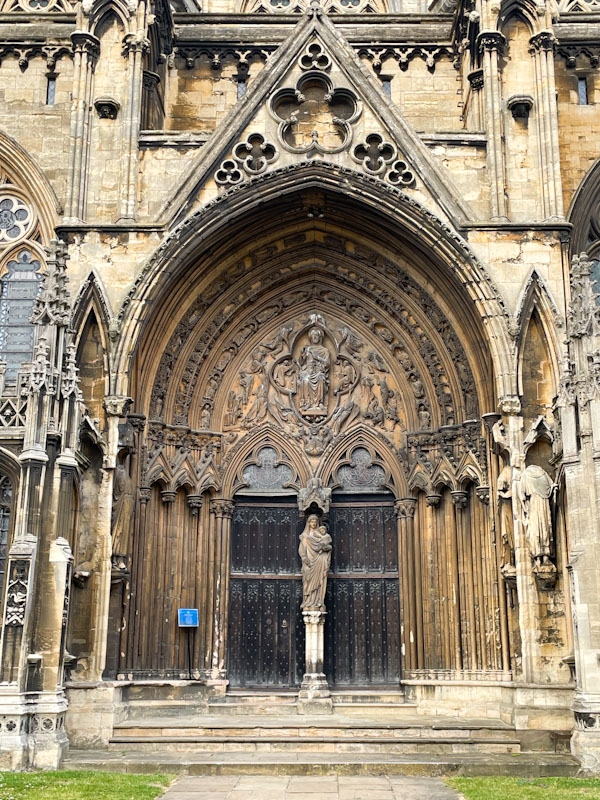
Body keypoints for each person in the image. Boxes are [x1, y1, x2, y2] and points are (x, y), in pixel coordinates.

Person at [298, 514, 332, 610]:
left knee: (319, 582)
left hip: (319, 562)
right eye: (312, 521)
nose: (314, 523)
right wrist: (304, 558)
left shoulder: (322, 535)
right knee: (307, 581)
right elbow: (301, 550)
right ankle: (307, 601)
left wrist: (326, 548)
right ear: (308, 523)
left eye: (315, 522)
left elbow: (328, 547)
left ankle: (318, 602)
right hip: (309, 563)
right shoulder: (305, 536)